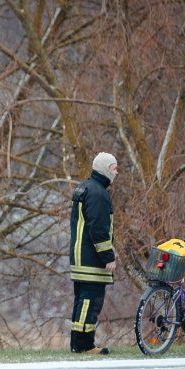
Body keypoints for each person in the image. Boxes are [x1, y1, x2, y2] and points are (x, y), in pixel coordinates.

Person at [68, 152, 118, 354]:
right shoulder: (98, 193)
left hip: (80, 256)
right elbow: (98, 229)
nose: (117, 172)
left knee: (82, 302)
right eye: (114, 168)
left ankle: (78, 344)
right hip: (91, 259)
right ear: (105, 169)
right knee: (90, 302)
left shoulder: (85, 187)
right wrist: (108, 256)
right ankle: (83, 346)